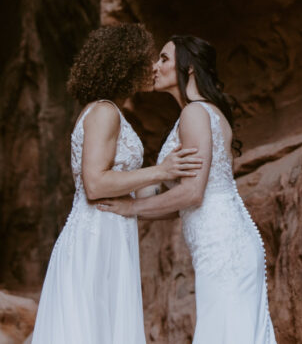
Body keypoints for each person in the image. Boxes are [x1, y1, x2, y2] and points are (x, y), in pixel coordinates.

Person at [30, 25, 203, 344]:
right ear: (125, 66)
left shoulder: (112, 112)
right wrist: (160, 171)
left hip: (111, 232)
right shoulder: (104, 112)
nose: (152, 67)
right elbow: (95, 183)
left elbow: (132, 189)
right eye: (145, 61)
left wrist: (184, 187)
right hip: (96, 237)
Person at [98, 35, 276, 344]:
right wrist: (136, 185)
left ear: (188, 68)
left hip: (222, 247)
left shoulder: (195, 113)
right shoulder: (200, 113)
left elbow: (193, 193)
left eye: (164, 58)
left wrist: (131, 209)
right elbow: (180, 201)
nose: (155, 66)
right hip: (220, 241)